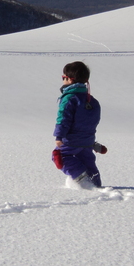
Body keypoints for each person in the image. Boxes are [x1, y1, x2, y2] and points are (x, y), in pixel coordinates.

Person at [52, 61, 107, 189]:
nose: (62, 81)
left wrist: (59, 136)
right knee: (87, 160)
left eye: (63, 78)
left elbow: (63, 118)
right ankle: (95, 181)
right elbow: (93, 121)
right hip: (87, 141)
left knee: (60, 156)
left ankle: (82, 179)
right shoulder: (92, 101)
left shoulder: (69, 98)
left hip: (71, 140)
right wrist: (91, 141)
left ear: (70, 80)